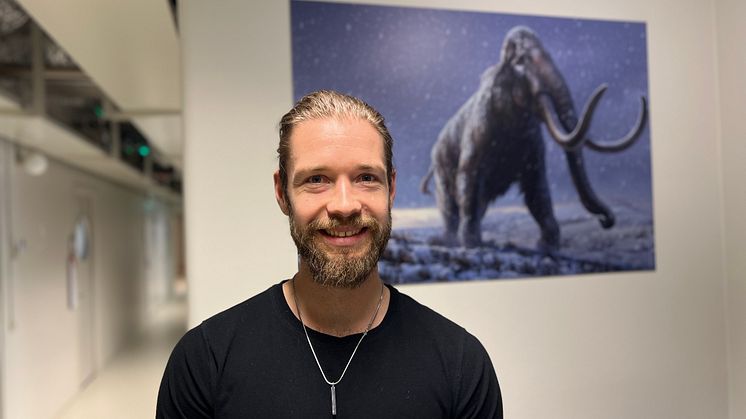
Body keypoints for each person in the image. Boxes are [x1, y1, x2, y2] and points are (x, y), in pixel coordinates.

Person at [156, 90, 502, 418]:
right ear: (282, 192)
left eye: (366, 177)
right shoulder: (205, 362)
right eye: (317, 179)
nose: (344, 206)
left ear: (392, 189)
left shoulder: (461, 364)